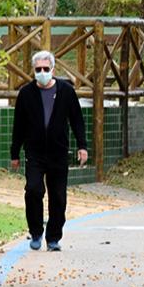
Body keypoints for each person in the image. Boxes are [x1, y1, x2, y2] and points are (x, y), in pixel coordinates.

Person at [10, 50, 88, 251]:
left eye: (46, 69)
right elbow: (18, 125)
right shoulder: (26, 94)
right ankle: (36, 231)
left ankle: (53, 237)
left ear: (53, 69)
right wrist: (14, 153)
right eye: (38, 69)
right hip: (34, 152)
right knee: (33, 190)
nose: (42, 72)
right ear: (33, 70)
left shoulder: (66, 91)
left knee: (58, 196)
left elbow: (77, 120)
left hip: (58, 152)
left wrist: (82, 146)